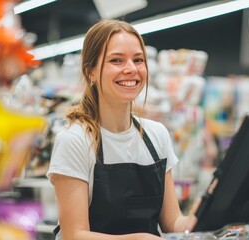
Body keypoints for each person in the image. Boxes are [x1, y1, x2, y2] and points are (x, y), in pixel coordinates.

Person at [46, 19, 197, 240]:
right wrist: (139, 239)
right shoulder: (75, 139)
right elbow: (74, 235)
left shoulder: (156, 135)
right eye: (116, 60)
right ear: (91, 72)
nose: (131, 69)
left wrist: (202, 217)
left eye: (138, 60)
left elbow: (172, 222)